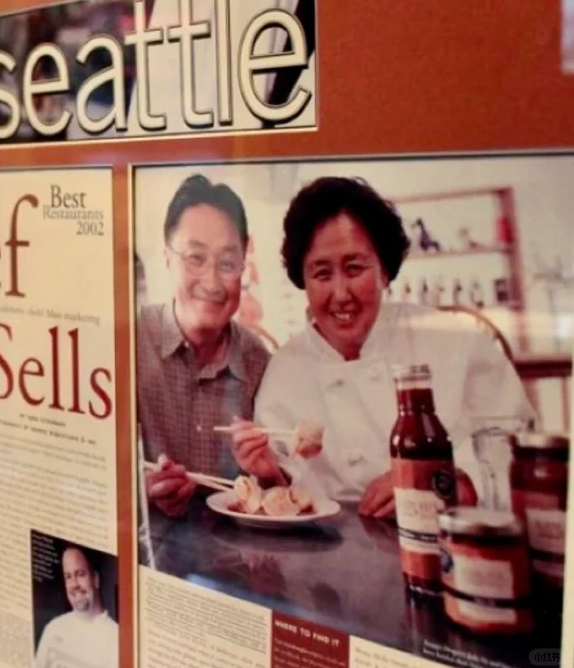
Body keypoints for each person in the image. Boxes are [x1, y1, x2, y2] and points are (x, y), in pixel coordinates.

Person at [232, 177, 534, 518]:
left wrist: (449, 482)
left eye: (354, 268)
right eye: (321, 273)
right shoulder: (285, 370)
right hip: (330, 558)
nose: (341, 292)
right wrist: (270, 473)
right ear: (303, 280)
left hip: (451, 543)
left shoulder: (453, 340)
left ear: (385, 271)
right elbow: (285, 491)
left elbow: (515, 447)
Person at [137, 175, 270, 518]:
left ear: (244, 266)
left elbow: (278, 493)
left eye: (227, 264)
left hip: (235, 561)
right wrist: (141, 490)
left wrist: (268, 473)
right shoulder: (129, 343)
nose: (212, 283)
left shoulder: (260, 363)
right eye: (195, 258)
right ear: (167, 257)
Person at [33, 546, 118, 668]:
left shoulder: (116, 638)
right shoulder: (53, 628)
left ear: (95, 579)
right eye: (68, 577)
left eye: (80, 574)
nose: (74, 584)